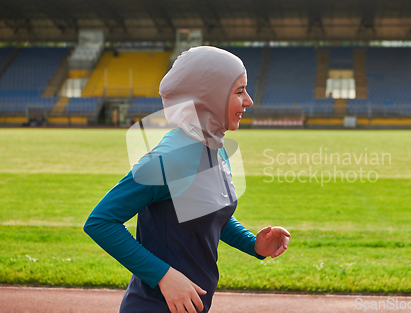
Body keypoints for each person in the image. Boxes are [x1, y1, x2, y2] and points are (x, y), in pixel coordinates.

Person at [84, 46, 290, 313]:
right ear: (210, 96)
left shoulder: (215, 147)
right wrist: (163, 276)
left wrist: (253, 244)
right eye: (239, 91)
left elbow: (207, 210)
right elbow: (100, 222)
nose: (249, 101)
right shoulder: (170, 158)